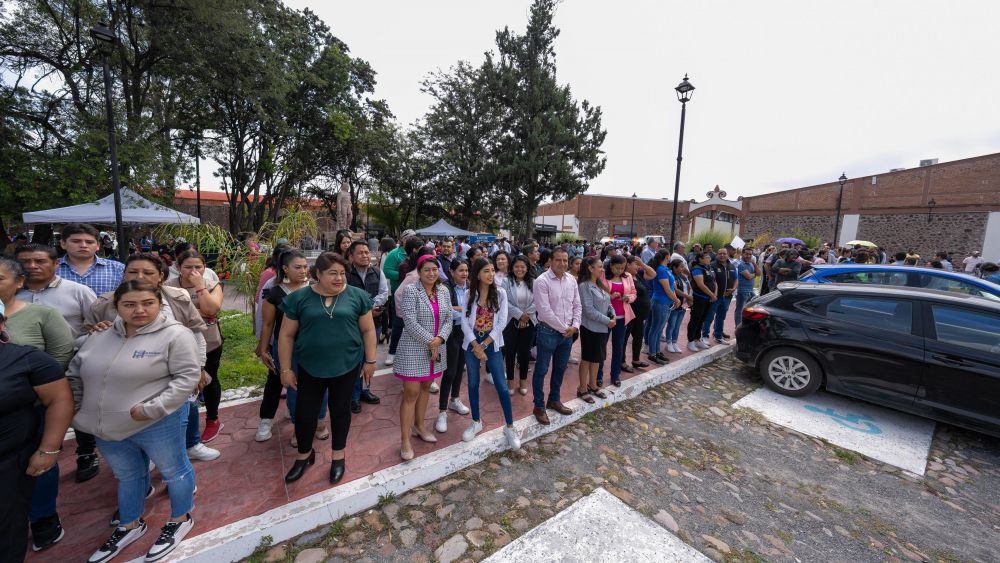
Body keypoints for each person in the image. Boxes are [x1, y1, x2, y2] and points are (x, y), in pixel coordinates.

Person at [69, 281, 201, 563]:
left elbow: (186, 379)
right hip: (107, 427)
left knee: (173, 470)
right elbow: (75, 373)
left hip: (156, 422)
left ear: (159, 304)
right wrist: (80, 410)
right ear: (117, 306)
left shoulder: (175, 335)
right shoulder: (99, 336)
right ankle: (129, 524)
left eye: (147, 303)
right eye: (129, 304)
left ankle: (180, 518)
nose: (139, 310)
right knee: (128, 476)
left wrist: (153, 408)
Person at [86, 253, 218, 464]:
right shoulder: (104, 304)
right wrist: (96, 331)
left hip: (176, 370)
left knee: (187, 407)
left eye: (148, 272)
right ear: (123, 274)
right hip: (131, 377)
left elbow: (196, 335)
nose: (140, 276)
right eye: (133, 272)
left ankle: (191, 444)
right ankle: (145, 460)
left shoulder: (178, 297)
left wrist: (199, 367)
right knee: (139, 417)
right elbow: (88, 344)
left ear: (160, 277)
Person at [277, 252, 377, 484]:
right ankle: (304, 455)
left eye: (342, 273)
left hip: (347, 364)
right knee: (305, 413)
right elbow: (286, 335)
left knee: (340, 410)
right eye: (332, 273)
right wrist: (285, 369)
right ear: (318, 274)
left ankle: (338, 457)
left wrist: (370, 361)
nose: (339, 278)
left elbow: (369, 331)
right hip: (309, 366)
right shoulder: (299, 298)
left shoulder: (357, 296)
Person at [0, 299, 74, 563]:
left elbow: (59, 399)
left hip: (9, 464)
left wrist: (49, 449)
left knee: (6, 531)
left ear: (1, 324)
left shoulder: (27, 359)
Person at [54, 223, 124, 481]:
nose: (82, 245)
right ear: (64, 244)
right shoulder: (52, 270)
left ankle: (113, 444)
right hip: (69, 345)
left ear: (98, 244)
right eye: (76, 241)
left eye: (88, 241)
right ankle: (85, 450)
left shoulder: (117, 269)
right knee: (76, 397)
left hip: (112, 344)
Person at [256, 249, 329, 444]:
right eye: (297, 267)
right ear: (285, 269)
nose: (303, 271)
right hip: (288, 348)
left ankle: (320, 420)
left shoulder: (317, 288)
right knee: (294, 387)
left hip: (317, 347)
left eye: (305, 267)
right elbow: (268, 324)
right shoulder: (274, 293)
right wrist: (263, 349)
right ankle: (299, 427)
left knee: (321, 385)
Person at [395, 254, 452, 460]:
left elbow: (448, 318)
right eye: (426, 270)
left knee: (427, 386)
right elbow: (409, 322)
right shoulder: (411, 291)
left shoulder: (444, 291)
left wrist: (441, 338)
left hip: (437, 347)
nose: (431, 273)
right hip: (415, 348)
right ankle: (404, 439)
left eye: (434, 270)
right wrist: (432, 341)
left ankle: (419, 426)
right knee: (411, 392)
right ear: (419, 272)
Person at [165, 250, 226, 443]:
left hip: (209, 343)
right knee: (182, 383)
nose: (193, 271)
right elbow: (167, 316)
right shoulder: (168, 287)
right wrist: (198, 312)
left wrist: (200, 287)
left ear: (204, 268)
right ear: (178, 267)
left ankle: (213, 419)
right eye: (188, 267)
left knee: (209, 379)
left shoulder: (211, 284)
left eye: (198, 267)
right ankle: (182, 424)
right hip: (177, 345)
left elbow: (211, 309)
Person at [459, 258, 520, 448]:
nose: (491, 274)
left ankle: (509, 427)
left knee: (502, 386)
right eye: (486, 271)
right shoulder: (470, 293)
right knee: (473, 383)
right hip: (471, 343)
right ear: (477, 274)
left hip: (491, 344)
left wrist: (483, 345)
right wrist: (475, 345)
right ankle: (476, 421)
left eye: (493, 270)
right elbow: (463, 321)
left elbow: (502, 322)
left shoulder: (500, 293)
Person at [531, 247, 581, 425]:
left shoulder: (571, 281)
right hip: (548, 332)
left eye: (565, 260)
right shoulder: (541, 281)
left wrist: (574, 325)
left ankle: (554, 400)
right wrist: (564, 328)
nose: (562, 264)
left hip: (567, 334)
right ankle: (538, 406)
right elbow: (544, 311)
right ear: (550, 261)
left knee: (560, 368)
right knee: (542, 369)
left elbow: (577, 304)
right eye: (558, 260)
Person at [15, 243, 97, 338]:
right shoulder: (8, 293)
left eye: (40, 261)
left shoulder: (79, 291)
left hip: (72, 351)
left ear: (56, 264)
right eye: (24, 261)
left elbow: (97, 326)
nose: (32, 266)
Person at [345, 241, 388, 412]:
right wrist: (365, 310)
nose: (365, 255)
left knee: (369, 358)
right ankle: (354, 396)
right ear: (351, 256)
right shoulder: (346, 275)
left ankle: (365, 390)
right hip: (352, 326)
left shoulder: (377, 272)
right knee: (355, 361)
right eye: (360, 253)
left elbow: (384, 293)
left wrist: (369, 307)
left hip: (374, 324)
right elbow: (344, 297)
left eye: (366, 252)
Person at [437, 259, 472, 433]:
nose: (464, 274)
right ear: (451, 272)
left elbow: (473, 309)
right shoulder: (445, 288)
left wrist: (459, 309)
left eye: (466, 270)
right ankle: (442, 410)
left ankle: (455, 399)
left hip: (466, 332)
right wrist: (463, 309)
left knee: (460, 369)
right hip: (451, 332)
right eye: (460, 270)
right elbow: (446, 311)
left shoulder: (470, 287)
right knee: (449, 371)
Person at [577, 256, 614, 400]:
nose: (602, 269)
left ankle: (593, 385)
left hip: (603, 327)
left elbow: (608, 303)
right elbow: (588, 310)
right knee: (587, 358)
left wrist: (613, 316)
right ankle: (582, 388)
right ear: (590, 268)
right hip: (590, 328)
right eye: (600, 267)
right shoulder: (584, 286)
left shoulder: (600, 284)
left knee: (597, 358)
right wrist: (607, 321)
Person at [382, 231, 419, 366]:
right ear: (403, 240)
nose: (410, 240)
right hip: (399, 294)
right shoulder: (394, 254)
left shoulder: (418, 254)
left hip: (417, 295)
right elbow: (387, 271)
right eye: (408, 238)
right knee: (398, 324)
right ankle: (392, 352)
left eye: (413, 238)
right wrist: (405, 277)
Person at [502, 255, 536, 395]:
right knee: (510, 352)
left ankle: (523, 381)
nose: (519, 269)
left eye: (522, 266)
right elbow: (504, 302)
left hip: (530, 320)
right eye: (517, 266)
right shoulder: (506, 282)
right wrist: (520, 315)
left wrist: (526, 316)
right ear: (512, 267)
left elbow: (538, 301)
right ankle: (510, 380)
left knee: (525, 352)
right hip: (510, 321)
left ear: (527, 268)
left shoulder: (534, 282)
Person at [604, 255, 637, 384]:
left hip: (623, 317)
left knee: (618, 347)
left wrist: (628, 297)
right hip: (606, 317)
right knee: (602, 347)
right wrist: (610, 297)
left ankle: (615, 375)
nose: (619, 271)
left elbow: (634, 292)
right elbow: (598, 294)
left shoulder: (627, 276)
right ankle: (599, 375)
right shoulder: (603, 276)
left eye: (622, 268)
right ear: (611, 265)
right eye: (617, 268)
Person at [645, 250, 681, 363]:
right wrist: (676, 299)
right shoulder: (660, 270)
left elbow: (672, 287)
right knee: (655, 329)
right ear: (667, 257)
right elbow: (667, 289)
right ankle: (652, 353)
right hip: (660, 302)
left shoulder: (666, 269)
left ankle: (657, 351)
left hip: (666, 302)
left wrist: (674, 299)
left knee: (659, 330)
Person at [622, 256, 655, 370]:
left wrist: (642, 264)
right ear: (628, 265)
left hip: (640, 315)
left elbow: (653, 274)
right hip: (630, 314)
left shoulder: (639, 275)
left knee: (638, 338)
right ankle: (622, 362)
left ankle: (636, 360)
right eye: (635, 264)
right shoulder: (625, 277)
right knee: (624, 338)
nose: (638, 266)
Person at [701, 248, 737, 345]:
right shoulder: (712, 265)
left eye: (724, 254)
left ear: (727, 254)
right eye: (720, 253)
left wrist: (733, 289)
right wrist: (714, 294)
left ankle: (718, 336)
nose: (722, 255)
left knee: (721, 317)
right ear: (717, 255)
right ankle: (704, 336)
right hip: (715, 297)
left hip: (727, 297)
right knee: (709, 317)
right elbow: (712, 281)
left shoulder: (731, 265)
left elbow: (736, 279)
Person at [687, 253, 717, 352]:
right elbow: (701, 285)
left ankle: (697, 339)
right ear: (700, 259)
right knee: (695, 319)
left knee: (702, 319)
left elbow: (714, 282)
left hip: (708, 299)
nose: (709, 258)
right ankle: (690, 341)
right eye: (707, 257)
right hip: (699, 298)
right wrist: (712, 295)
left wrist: (714, 294)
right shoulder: (697, 269)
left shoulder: (709, 268)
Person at [664, 259, 691, 354]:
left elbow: (689, 287)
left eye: (683, 266)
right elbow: (675, 290)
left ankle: (675, 342)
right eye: (681, 267)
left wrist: (689, 296)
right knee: (672, 324)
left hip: (683, 304)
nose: (683, 269)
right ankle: (669, 342)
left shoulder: (683, 276)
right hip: (676, 304)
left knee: (678, 325)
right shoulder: (672, 277)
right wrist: (688, 296)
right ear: (674, 267)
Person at [734, 247, 758, 327]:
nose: (748, 256)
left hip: (750, 290)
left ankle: (746, 325)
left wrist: (754, 264)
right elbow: (748, 276)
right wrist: (754, 274)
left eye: (750, 254)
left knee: (752, 308)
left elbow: (759, 273)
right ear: (742, 254)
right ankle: (738, 327)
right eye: (746, 254)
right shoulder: (741, 264)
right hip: (742, 291)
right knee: (740, 310)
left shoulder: (751, 263)